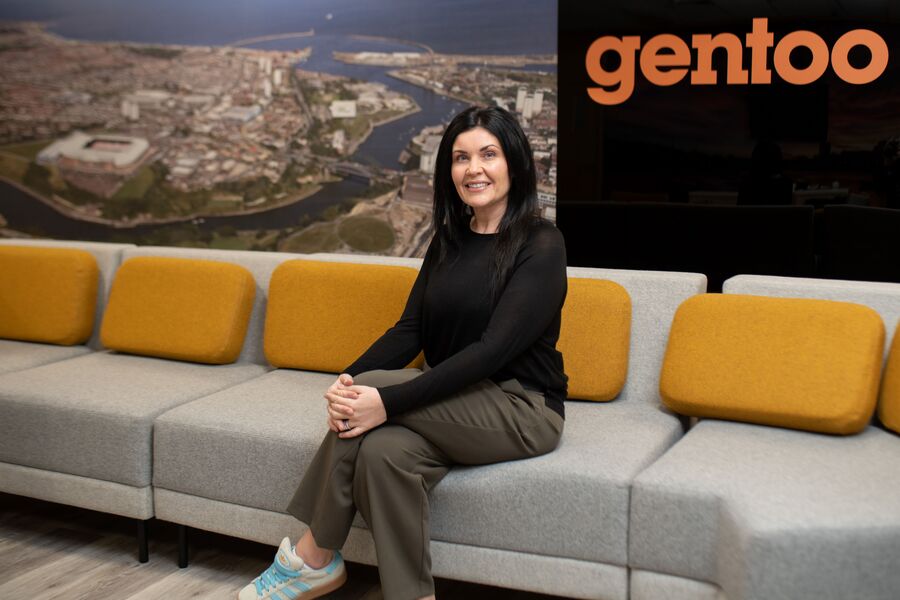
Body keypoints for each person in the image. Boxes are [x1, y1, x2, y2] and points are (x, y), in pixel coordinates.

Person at [238, 105, 568, 600]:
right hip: (455, 403)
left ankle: (313, 557)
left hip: (522, 407)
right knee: (381, 452)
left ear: (515, 165)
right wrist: (348, 379)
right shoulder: (449, 240)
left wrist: (382, 399)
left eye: (488, 154)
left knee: (373, 401)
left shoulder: (541, 244)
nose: (473, 169)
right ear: (448, 171)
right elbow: (410, 330)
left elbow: (491, 351)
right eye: (460, 158)